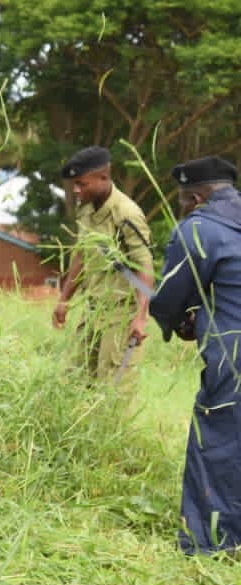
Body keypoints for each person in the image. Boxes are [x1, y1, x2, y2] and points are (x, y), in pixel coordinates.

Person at [149, 155, 241, 555]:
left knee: (216, 445)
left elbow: (169, 299)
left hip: (233, 361)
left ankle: (212, 547)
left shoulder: (198, 229)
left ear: (195, 198)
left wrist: (181, 324)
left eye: (185, 199)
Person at [51, 146, 154, 387]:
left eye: (82, 184)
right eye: (73, 184)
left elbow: (145, 265)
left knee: (113, 390)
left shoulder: (127, 213)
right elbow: (81, 254)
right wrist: (65, 298)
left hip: (122, 314)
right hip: (93, 310)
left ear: (103, 178)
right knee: (76, 381)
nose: (76, 190)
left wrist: (140, 317)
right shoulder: (85, 208)